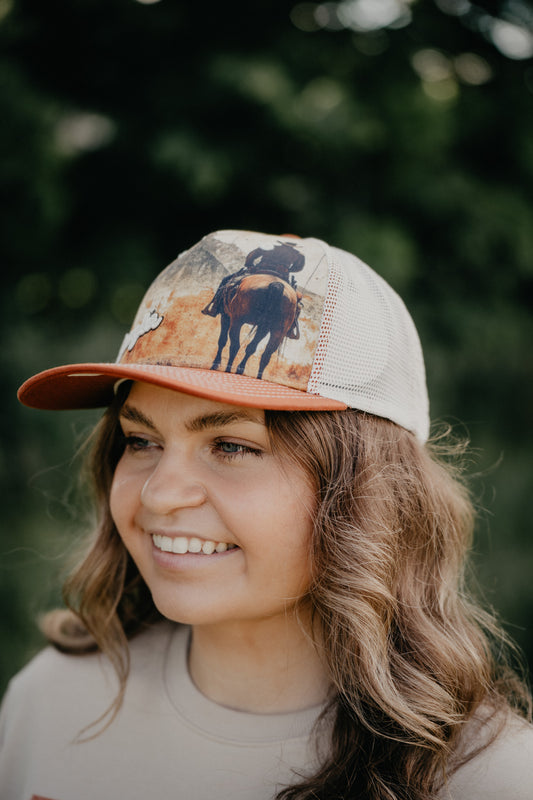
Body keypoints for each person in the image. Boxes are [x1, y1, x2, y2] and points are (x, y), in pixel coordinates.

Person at [1, 229, 532, 800]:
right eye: (140, 440)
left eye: (232, 446)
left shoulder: (490, 780)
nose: (158, 496)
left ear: (370, 495)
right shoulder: (49, 700)